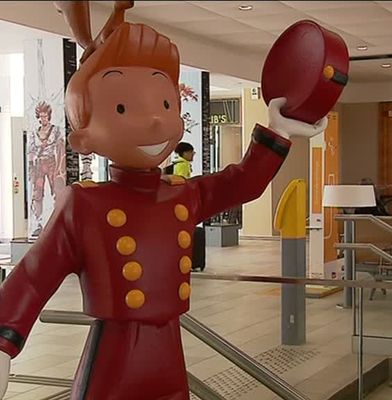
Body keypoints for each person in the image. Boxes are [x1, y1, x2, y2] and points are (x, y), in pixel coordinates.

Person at [0, 4, 328, 399]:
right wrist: (3, 343)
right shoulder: (85, 204)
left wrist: (277, 132)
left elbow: (242, 183)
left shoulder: (181, 193)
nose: (156, 121)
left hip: (169, 355)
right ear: (82, 139)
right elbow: (34, 275)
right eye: (123, 108)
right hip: (114, 360)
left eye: (167, 105)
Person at [29, 101, 67, 237]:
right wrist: (31, 168)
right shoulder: (34, 133)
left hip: (52, 163)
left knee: (56, 191)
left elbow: (61, 147)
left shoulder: (56, 130)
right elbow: (31, 151)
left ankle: (58, 222)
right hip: (39, 164)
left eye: (45, 116)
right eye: (40, 116)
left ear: (48, 116)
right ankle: (38, 223)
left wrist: (59, 167)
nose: (43, 118)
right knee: (37, 194)